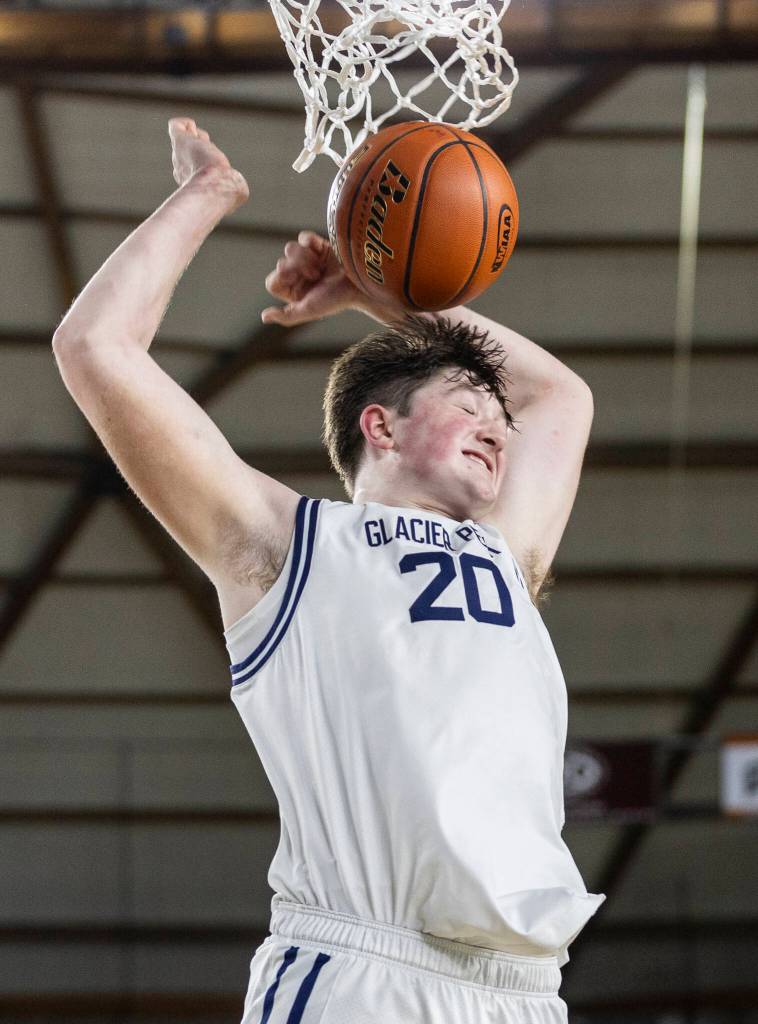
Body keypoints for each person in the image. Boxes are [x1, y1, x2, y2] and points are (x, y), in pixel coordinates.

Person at [53, 118, 604, 1024]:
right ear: (379, 427)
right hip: (362, 972)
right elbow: (95, 349)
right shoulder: (286, 544)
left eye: (497, 419)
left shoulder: (509, 551)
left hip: (522, 993)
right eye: (469, 405)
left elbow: (559, 398)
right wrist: (205, 196)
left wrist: (375, 290)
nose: (500, 428)